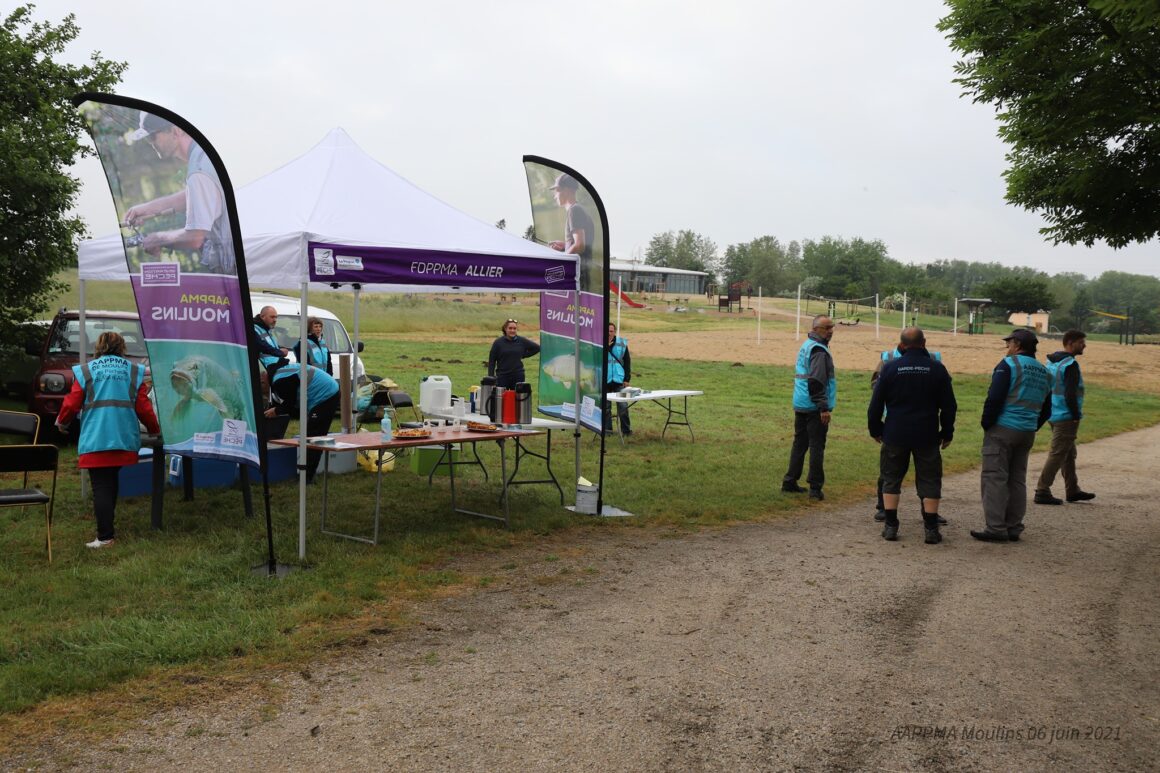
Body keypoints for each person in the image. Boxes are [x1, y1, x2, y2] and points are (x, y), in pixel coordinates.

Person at [54, 332, 160, 548]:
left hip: (97, 438)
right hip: (123, 438)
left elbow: (71, 403)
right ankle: (107, 530)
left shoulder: (86, 371)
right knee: (110, 481)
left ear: (99, 347)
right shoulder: (134, 371)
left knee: (101, 485)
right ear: (122, 347)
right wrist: (154, 429)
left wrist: (62, 423)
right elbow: (144, 407)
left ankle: (105, 537)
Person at [868, 328, 957, 544]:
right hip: (926, 433)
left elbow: (875, 404)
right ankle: (931, 528)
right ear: (924, 343)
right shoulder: (937, 369)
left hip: (895, 432)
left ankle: (890, 525)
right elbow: (949, 406)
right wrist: (947, 432)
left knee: (891, 478)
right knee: (929, 480)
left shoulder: (890, 368)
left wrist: (876, 430)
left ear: (901, 345)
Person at [123, 112, 235, 274]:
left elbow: (195, 237)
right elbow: (200, 196)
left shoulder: (198, 171)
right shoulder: (203, 157)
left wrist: (158, 239)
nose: (150, 143)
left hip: (232, 274)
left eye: (153, 136)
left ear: (175, 131)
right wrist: (149, 208)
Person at [972, 329, 1053, 543]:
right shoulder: (1045, 371)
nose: (1007, 348)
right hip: (1026, 432)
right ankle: (1013, 526)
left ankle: (996, 528)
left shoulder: (1008, 364)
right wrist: (1033, 425)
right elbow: (1047, 408)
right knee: (1017, 480)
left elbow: (995, 397)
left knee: (994, 478)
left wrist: (987, 424)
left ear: (1017, 344)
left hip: (1002, 429)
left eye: (1009, 343)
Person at [1034, 330, 1094, 505]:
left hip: (1054, 412)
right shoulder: (1070, 365)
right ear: (1071, 342)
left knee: (1068, 452)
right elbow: (1070, 394)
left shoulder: (1052, 361)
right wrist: (1076, 415)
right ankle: (1042, 490)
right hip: (1066, 415)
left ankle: (1072, 489)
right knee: (1058, 453)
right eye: (1081, 342)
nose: (1084, 345)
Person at [782, 315, 836, 500]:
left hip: (801, 403)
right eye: (827, 327)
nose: (830, 331)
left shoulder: (806, 345)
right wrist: (824, 408)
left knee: (799, 444)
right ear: (816, 329)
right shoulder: (819, 351)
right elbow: (815, 380)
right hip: (814, 406)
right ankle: (815, 488)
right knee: (816, 447)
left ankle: (789, 482)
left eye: (832, 327)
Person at [266, 364, 340, 483]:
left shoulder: (279, 382)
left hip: (326, 394)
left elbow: (290, 403)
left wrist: (277, 411)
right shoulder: (280, 373)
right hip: (327, 390)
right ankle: (306, 475)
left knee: (314, 438)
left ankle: (306, 478)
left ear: (264, 377)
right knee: (312, 436)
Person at [546, 173, 598, 287]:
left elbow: (580, 245)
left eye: (557, 191)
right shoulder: (577, 209)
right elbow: (581, 244)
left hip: (578, 276)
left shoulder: (574, 211)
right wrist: (566, 246)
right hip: (582, 274)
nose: (555, 196)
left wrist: (563, 259)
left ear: (567, 190)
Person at [488, 318, 541, 389]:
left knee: (518, 399)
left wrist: (523, 355)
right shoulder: (498, 342)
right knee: (502, 399)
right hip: (502, 376)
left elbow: (537, 348)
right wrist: (491, 377)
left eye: (514, 328)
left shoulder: (522, 341)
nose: (512, 330)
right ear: (505, 329)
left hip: (518, 376)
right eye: (510, 328)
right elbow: (492, 361)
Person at [604, 322, 632, 436]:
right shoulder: (599, 344)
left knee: (623, 407)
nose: (609, 333)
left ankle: (626, 431)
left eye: (611, 331)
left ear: (614, 332)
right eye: (607, 331)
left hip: (619, 380)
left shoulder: (621, 344)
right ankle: (607, 431)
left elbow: (627, 362)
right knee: (606, 408)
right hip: (605, 381)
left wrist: (627, 379)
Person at [252, 305, 290, 380]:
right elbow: (262, 346)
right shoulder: (255, 329)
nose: (275, 320)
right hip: (265, 368)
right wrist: (280, 352)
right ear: (262, 316)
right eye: (272, 317)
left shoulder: (267, 329)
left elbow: (271, 345)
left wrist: (280, 349)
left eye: (276, 317)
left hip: (273, 366)